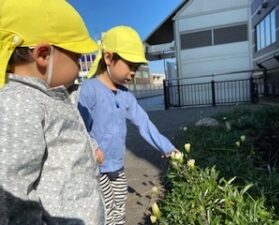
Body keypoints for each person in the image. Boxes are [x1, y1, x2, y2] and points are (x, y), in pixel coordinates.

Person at [0, 0, 105, 224]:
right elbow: (13, 188)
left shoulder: (52, 95)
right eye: (77, 57)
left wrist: (91, 148)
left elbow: (65, 137)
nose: (79, 66)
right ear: (44, 55)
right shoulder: (19, 103)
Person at [78, 25, 178, 225]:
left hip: (118, 166)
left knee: (119, 206)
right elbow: (78, 127)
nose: (133, 72)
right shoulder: (89, 90)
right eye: (130, 65)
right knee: (105, 210)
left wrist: (166, 146)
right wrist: (92, 146)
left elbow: (144, 123)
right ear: (108, 58)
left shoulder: (126, 96)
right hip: (97, 168)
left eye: (136, 68)